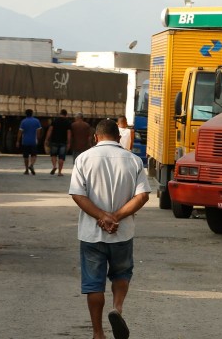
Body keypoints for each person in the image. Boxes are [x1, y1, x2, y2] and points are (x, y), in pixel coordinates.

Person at [69, 119, 151, 339]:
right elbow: (142, 195)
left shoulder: (83, 159)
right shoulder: (133, 160)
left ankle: (98, 333)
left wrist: (102, 216)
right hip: (122, 233)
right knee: (121, 274)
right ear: (118, 136)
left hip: (91, 234)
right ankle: (117, 308)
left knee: (94, 284)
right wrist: (116, 217)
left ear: (96, 137)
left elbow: (78, 194)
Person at [45, 109, 72, 176]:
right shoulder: (68, 122)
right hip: (63, 142)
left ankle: (54, 166)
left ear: (60, 113)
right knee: (61, 157)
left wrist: (46, 139)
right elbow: (68, 133)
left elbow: (50, 130)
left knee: (53, 155)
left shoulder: (55, 121)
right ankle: (59, 172)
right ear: (66, 115)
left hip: (54, 141)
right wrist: (69, 143)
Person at [16, 109, 42, 175]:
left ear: (26, 114)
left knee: (26, 156)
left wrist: (18, 141)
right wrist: (38, 138)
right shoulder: (36, 121)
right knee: (34, 155)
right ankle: (32, 165)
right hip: (33, 141)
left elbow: (20, 132)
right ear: (32, 113)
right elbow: (38, 132)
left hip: (25, 141)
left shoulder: (23, 122)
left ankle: (26, 170)